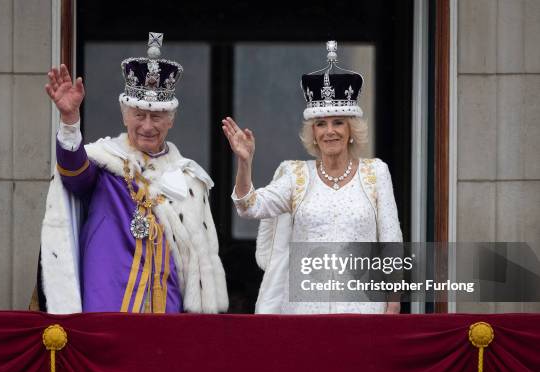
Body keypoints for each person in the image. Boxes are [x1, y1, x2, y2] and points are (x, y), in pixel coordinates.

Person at [32, 32, 228, 314]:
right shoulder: (105, 164)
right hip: (108, 302)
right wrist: (69, 122)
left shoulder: (188, 179)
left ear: (170, 120)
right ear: (125, 116)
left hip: (166, 307)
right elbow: (74, 173)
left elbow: (195, 261)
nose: (147, 125)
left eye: (156, 116)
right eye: (139, 115)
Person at [222, 41, 402, 314]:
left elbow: (391, 241)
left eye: (338, 122)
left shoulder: (376, 173)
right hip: (306, 311)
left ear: (351, 129)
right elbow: (250, 206)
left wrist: (393, 303)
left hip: (363, 310)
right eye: (321, 124)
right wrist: (245, 163)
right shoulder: (296, 176)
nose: (330, 131)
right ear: (313, 133)